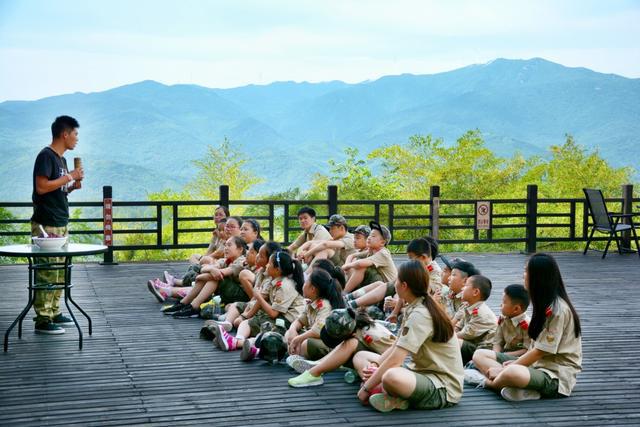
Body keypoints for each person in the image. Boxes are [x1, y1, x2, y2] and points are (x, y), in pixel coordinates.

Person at [354, 260, 464, 412]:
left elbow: (396, 359)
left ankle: (387, 392)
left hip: (442, 387)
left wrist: (366, 387)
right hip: (417, 373)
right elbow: (395, 346)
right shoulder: (415, 306)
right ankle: (388, 393)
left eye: (397, 280)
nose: (395, 283)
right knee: (361, 357)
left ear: (404, 286)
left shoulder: (421, 314)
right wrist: (376, 365)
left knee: (391, 376)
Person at [476, 253, 582, 401]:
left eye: (526, 271)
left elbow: (539, 352)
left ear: (538, 277)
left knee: (512, 372)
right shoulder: (543, 303)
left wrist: (504, 368)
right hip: (534, 366)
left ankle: (489, 383)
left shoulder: (558, 310)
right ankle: (519, 388)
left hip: (554, 375)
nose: (523, 275)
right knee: (480, 354)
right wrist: (513, 363)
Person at [30, 115, 84, 334]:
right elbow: (41, 187)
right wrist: (69, 177)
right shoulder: (46, 156)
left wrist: (71, 186)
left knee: (60, 271)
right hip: (46, 223)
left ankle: (54, 311)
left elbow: (56, 188)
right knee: (47, 270)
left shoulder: (61, 160)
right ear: (65, 134)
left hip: (60, 221)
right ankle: (43, 320)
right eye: (75, 134)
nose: (77, 139)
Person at [214, 251, 305, 352]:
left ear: (277, 269)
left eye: (270, 263)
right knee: (248, 322)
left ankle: (238, 344)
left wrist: (258, 296)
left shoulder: (285, 285)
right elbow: (264, 300)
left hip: (287, 322)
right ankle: (238, 339)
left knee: (266, 331)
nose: (267, 265)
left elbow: (273, 313)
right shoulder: (273, 279)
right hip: (277, 316)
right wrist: (247, 313)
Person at [287, 308, 396, 388]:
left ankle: (315, 372)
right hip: (369, 356)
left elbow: (394, 357)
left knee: (351, 343)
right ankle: (319, 365)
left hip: (388, 363)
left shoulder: (373, 336)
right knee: (351, 342)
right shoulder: (353, 321)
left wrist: (373, 366)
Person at [162, 236, 247, 317]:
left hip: (241, 297)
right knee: (212, 274)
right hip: (228, 294)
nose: (226, 248)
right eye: (225, 245)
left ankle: (193, 305)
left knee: (215, 278)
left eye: (229, 245)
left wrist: (200, 277)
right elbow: (204, 268)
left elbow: (222, 273)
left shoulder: (242, 261)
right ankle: (185, 303)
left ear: (240, 249)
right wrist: (211, 270)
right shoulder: (226, 261)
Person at [466, 284, 531, 384]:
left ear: (516, 309)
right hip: (503, 355)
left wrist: (502, 355)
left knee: (476, 362)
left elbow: (527, 350)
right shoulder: (503, 318)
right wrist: (495, 355)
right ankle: (498, 377)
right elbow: (498, 341)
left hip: (517, 360)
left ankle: (494, 379)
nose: (500, 305)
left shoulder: (526, 325)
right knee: (474, 361)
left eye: (504, 302)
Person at [284, 269, 344, 361]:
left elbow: (318, 331)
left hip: (329, 345)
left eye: (305, 283)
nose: (303, 285)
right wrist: (293, 330)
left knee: (305, 344)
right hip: (314, 338)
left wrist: (298, 339)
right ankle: (297, 356)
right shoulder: (312, 303)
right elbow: (300, 321)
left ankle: (298, 356)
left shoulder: (324, 305)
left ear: (312, 289)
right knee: (289, 334)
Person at [342, 221, 397, 293]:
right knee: (356, 260)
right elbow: (352, 255)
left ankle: (344, 293)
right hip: (378, 286)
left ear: (382, 242)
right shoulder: (371, 251)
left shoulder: (383, 253)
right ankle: (347, 290)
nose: (369, 238)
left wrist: (346, 266)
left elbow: (360, 264)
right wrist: (347, 265)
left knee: (361, 266)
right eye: (370, 235)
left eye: (373, 236)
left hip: (389, 289)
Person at [454, 274, 497, 364]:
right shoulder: (468, 307)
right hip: (471, 344)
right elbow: (458, 326)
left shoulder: (481, 313)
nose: (462, 289)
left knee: (453, 341)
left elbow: (464, 334)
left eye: (465, 286)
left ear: (475, 292)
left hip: (481, 351)